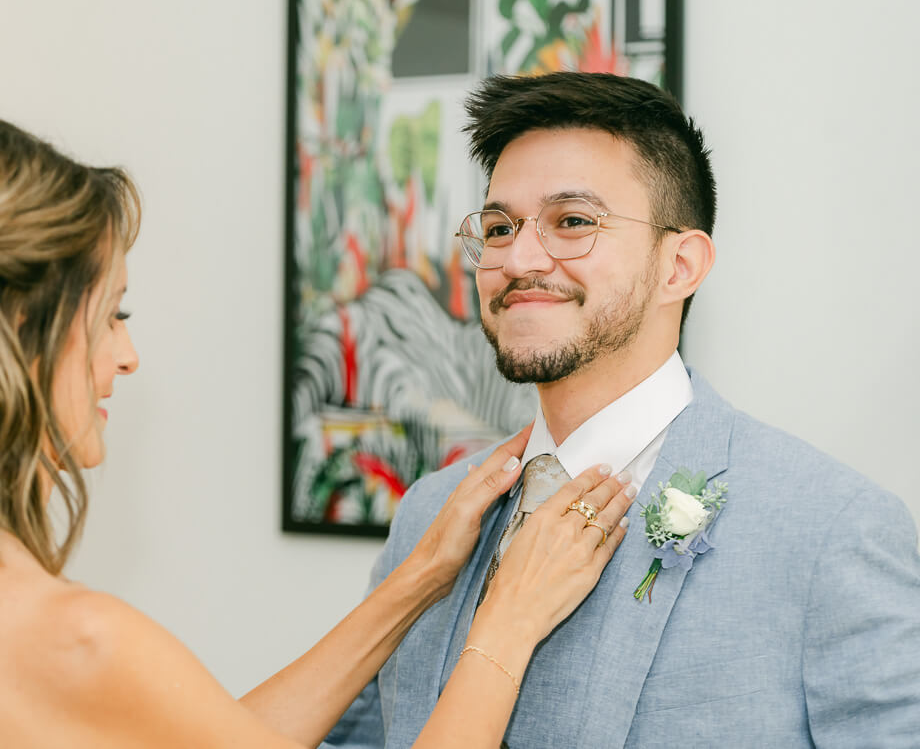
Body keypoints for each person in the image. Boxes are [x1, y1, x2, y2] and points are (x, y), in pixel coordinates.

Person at [0, 112, 637, 748]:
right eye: (111, 313)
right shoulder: (68, 639)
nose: (127, 355)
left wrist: (417, 580)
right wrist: (507, 622)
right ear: (14, 331)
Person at [325, 72, 920, 748]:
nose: (518, 259)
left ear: (680, 266)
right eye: (498, 227)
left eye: (572, 222)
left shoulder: (829, 529)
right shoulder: (429, 517)